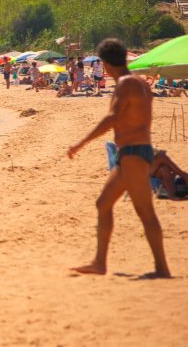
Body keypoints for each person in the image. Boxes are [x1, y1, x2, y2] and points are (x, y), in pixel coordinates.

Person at [67, 38, 170, 278]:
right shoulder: (139, 83)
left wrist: (81, 143)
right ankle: (99, 263)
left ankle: (162, 268)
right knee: (103, 203)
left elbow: (112, 118)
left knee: (145, 211)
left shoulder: (126, 84)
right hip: (132, 153)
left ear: (104, 64)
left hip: (134, 153)